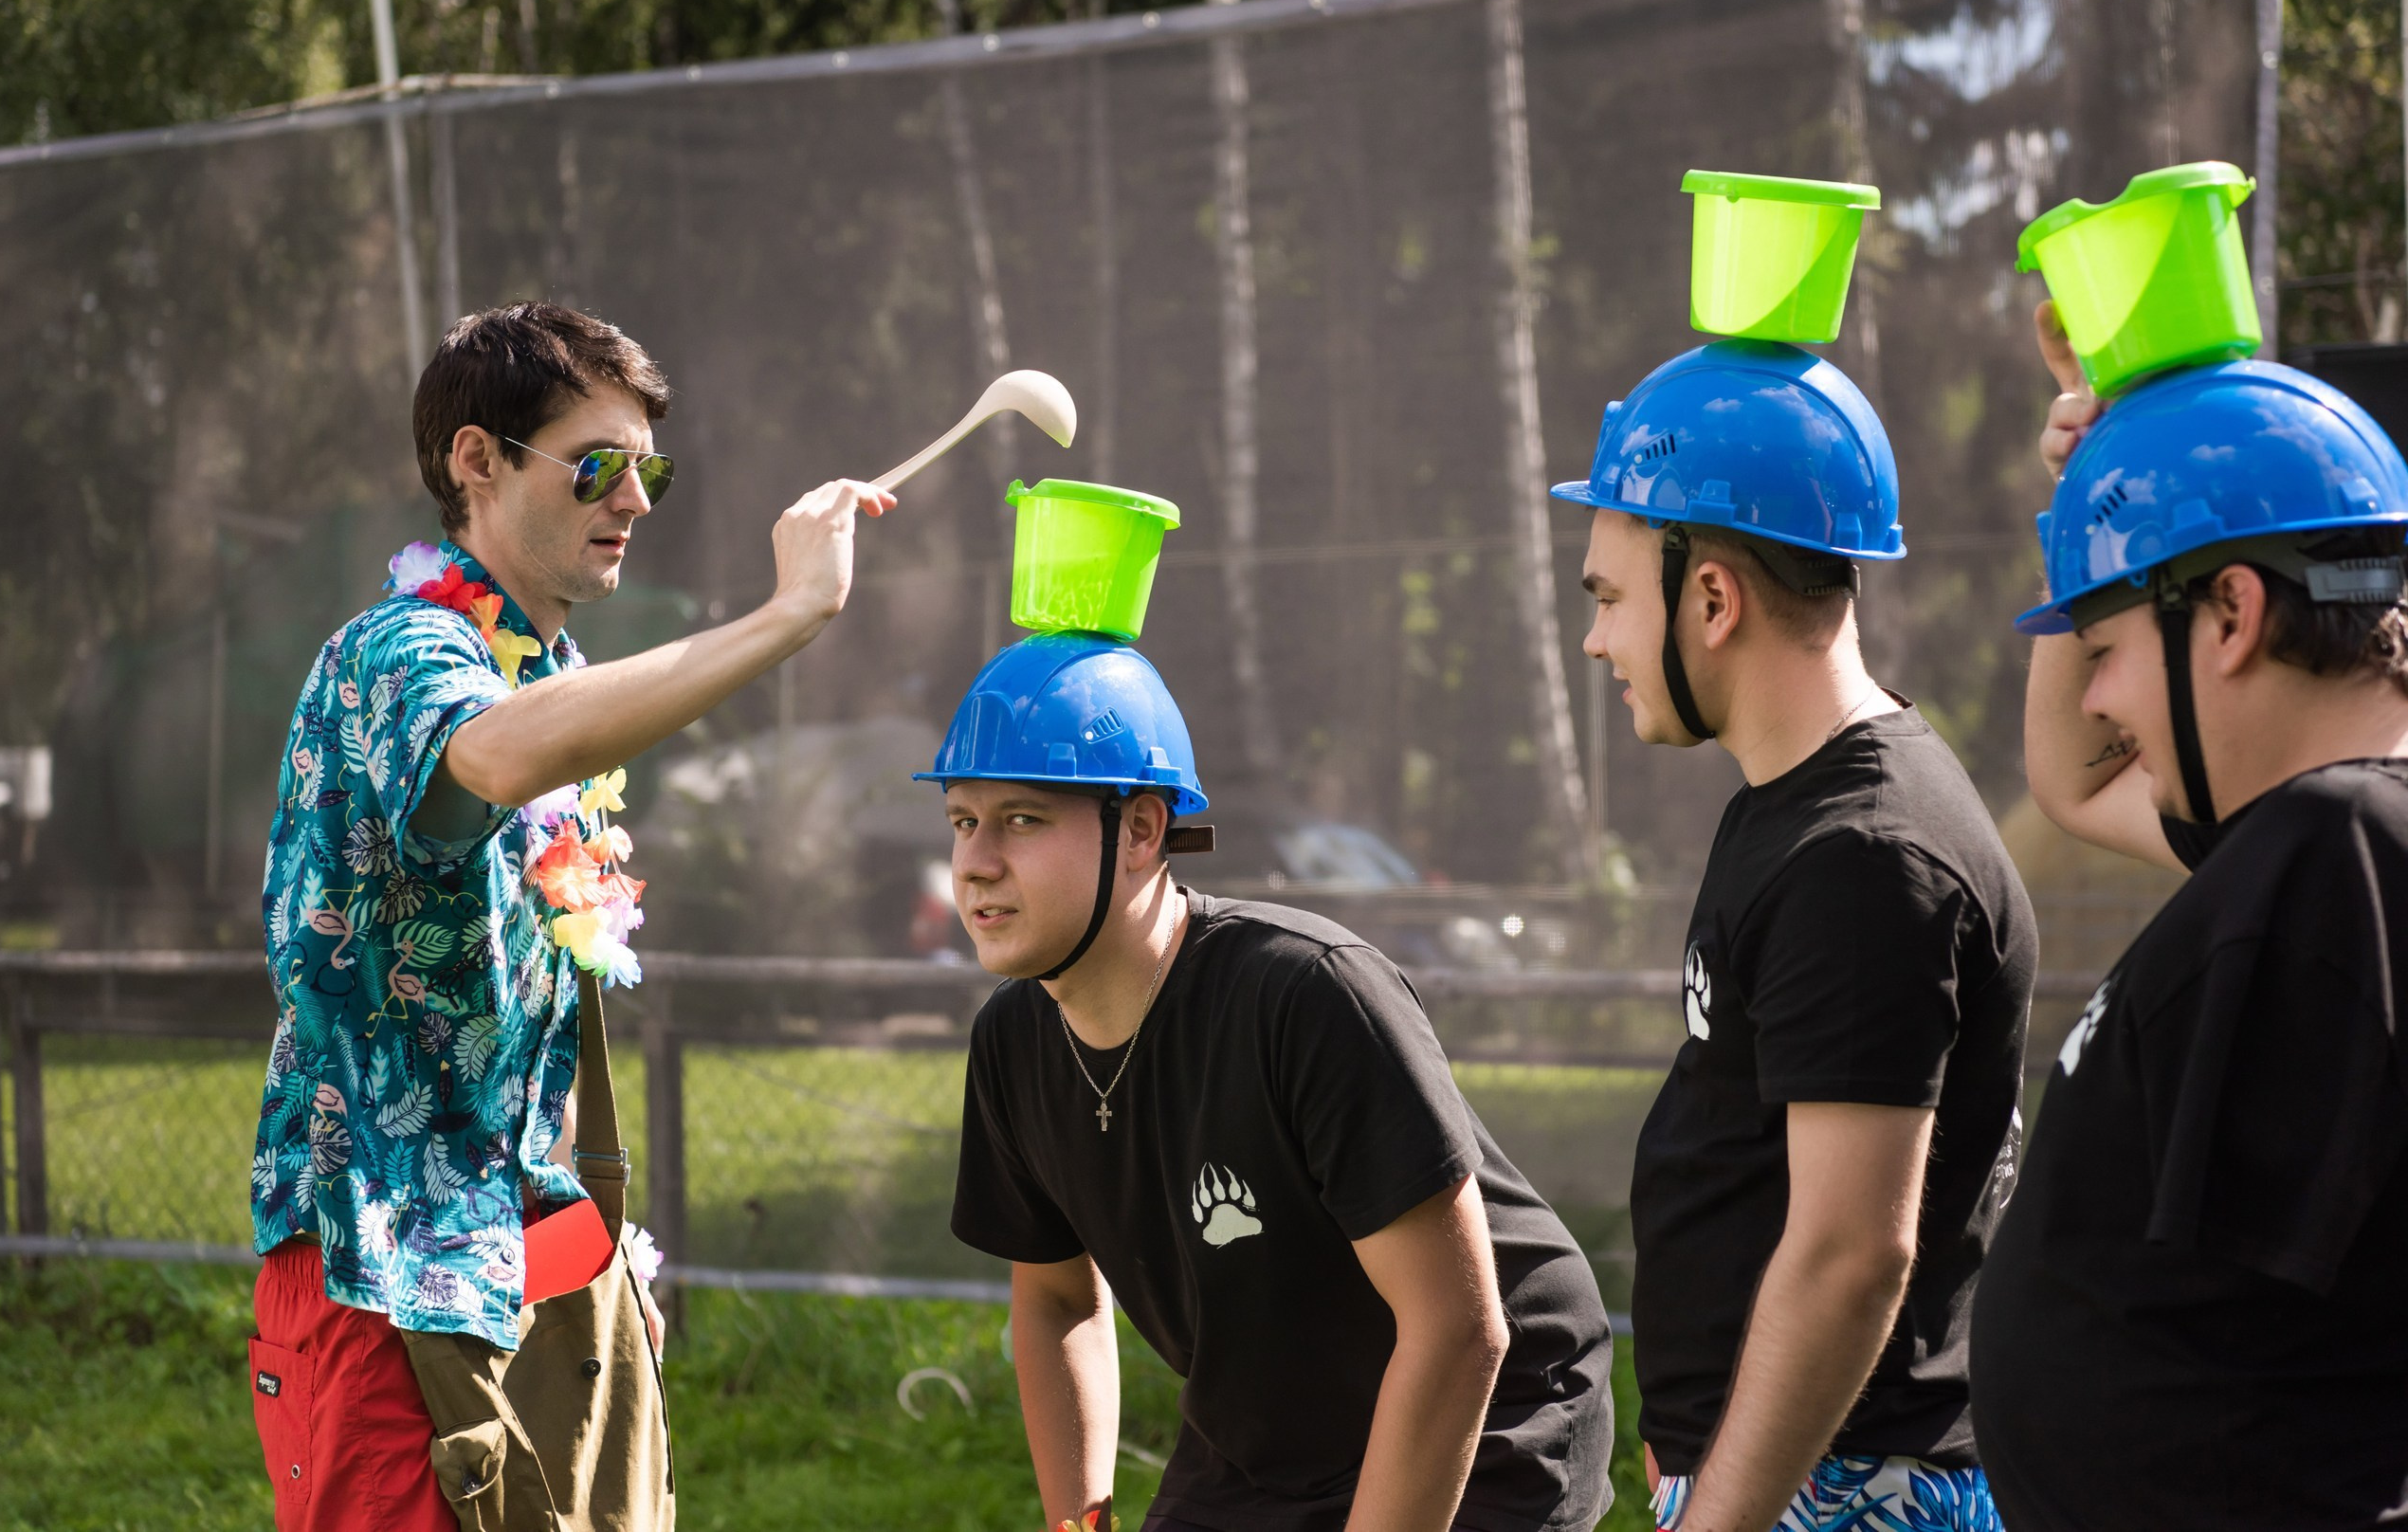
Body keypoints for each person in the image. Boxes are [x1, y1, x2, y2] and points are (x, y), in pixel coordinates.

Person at [247, 301, 893, 1530]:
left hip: (541, 1260)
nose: (636, 500)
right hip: (383, 1280)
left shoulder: (555, 680)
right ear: (475, 462)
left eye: (647, 468)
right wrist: (784, 619)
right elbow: (488, 758)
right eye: (597, 464)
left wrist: (590, 1246)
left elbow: (539, 1005)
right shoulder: (403, 652)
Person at [928, 630, 1615, 1532]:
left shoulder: (1307, 991)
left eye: (1022, 819)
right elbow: (1057, 1296)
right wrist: (1078, 1523)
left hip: (1491, 1416)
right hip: (1260, 1441)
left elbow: (1459, 1330)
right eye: (962, 820)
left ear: (1141, 829)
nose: (976, 861)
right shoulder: (1011, 1042)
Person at [1554, 339, 2034, 1532]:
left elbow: (1847, 1256)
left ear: (1710, 598)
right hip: (1791, 1476)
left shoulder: (1865, 857)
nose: (1595, 640)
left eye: (1608, 597)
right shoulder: (1801, 812)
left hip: (1840, 1485)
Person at [1969, 307, 2408, 1529]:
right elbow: (2076, 779)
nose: (2098, 697)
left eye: (2101, 645)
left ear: (2230, 614)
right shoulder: (2305, 840)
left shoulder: (2342, 852)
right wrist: (2094, 497)